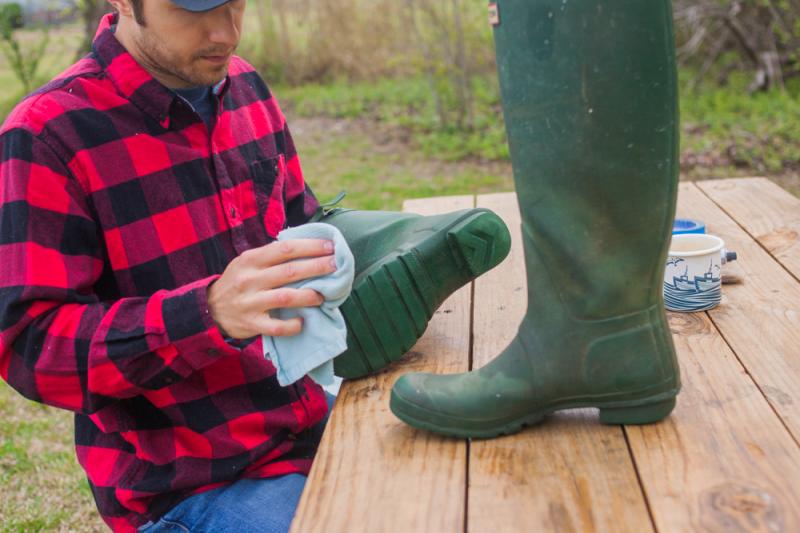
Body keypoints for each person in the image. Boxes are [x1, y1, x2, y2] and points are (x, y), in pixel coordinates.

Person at [0, 0, 334, 531]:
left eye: (237, 4)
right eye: (195, 8)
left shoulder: (246, 87)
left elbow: (302, 225)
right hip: (193, 484)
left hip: (314, 418)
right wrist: (205, 314)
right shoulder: (48, 134)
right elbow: (34, 351)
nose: (228, 32)